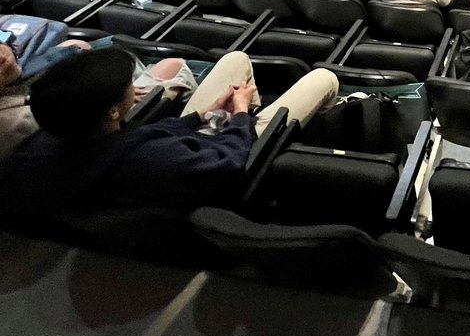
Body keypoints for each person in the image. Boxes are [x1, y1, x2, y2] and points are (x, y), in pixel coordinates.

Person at [0, 49, 338, 217]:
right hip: (237, 156)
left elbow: (139, 136)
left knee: (236, 59)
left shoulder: (45, 145)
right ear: (113, 110)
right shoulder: (149, 161)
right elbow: (229, 163)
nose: (133, 86)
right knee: (324, 77)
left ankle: (249, 110)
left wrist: (202, 115)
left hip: (192, 147)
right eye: (128, 85)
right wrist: (239, 116)